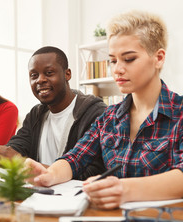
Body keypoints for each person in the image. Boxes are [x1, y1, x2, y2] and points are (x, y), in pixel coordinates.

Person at [27, 10, 183, 210]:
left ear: (158, 58)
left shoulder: (179, 113)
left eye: (128, 59)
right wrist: (49, 174)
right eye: (113, 60)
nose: (117, 69)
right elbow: (75, 158)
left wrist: (125, 189)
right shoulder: (109, 117)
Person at [0, 46, 107, 180]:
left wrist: (21, 162)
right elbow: (16, 147)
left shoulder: (95, 113)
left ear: (67, 74)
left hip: (73, 196)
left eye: (49, 73)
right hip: (37, 191)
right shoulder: (36, 114)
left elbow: (94, 173)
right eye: (34, 75)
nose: (40, 80)